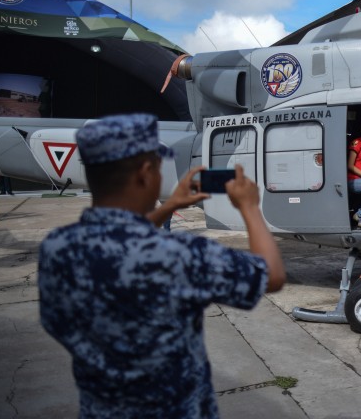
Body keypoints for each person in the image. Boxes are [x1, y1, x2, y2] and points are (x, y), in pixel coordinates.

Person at [38, 113, 285, 418]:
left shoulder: (57, 248)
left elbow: (118, 242)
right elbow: (271, 275)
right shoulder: (179, 254)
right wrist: (249, 207)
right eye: (157, 168)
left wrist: (168, 207)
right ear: (144, 173)